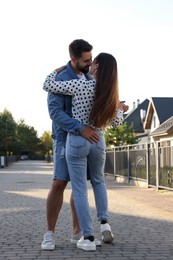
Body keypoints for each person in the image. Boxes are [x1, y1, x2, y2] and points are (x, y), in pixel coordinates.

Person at [43, 52, 128, 251]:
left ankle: (88, 238)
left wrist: (57, 70)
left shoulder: (80, 85)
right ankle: (104, 222)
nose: (89, 65)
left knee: (79, 189)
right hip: (98, 140)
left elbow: (48, 85)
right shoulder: (110, 93)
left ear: (96, 66)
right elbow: (116, 122)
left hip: (78, 140)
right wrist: (119, 109)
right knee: (99, 182)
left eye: (93, 62)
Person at [41, 39, 101, 251]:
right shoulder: (61, 78)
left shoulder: (89, 77)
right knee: (59, 183)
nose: (90, 63)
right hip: (64, 139)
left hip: (85, 140)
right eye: (86, 60)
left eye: (91, 59)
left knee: (79, 185)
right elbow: (55, 113)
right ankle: (49, 233)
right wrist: (80, 128)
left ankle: (79, 231)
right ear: (73, 59)